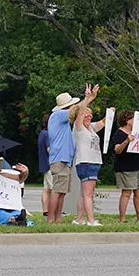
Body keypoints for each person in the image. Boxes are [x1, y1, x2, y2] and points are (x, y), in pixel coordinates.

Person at [46, 88, 86, 224]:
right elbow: (76, 111)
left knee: (62, 191)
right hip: (59, 159)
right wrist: (88, 98)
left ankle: (58, 218)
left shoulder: (60, 119)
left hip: (64, 160)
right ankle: (50, 219)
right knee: (57, 191)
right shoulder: (58, 115)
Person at [69, 85, 106, 226]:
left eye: (91, 114)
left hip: (93, 162)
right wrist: (88, 98)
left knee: (84, 193)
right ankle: (91, 220)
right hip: (86, 162)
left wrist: (110, 113)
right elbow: (80, 112)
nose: (89, 116)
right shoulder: (78, 128)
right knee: (88, 194)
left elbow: (103, 122)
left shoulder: (90, 128)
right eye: (86, 114)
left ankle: (79, 220)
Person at [112, 110, 139, 222]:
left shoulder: (137, 132)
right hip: (125, 167)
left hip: (137, 165)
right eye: (132, 118)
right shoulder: (119, 134)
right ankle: (122, 218)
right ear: (126, 120)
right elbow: (117, 150)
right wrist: (127, 141)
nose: (135, 121)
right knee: (126, 193)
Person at [37, 113, 52, 216]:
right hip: (50, 164)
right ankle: (53, 210)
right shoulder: (47, 134)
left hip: (44, 164)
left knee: (46, 188)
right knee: (53, 188)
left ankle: (46, 210)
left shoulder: (42, 133)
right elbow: (49, 149)